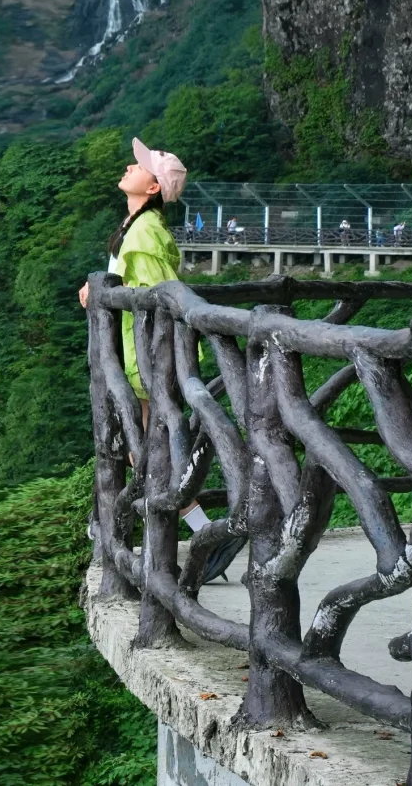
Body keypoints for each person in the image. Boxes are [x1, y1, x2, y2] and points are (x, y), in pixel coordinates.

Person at [79, 137, 244, 584]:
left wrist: (107, 296)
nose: (130, 167)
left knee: (147, 453)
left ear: (153, 188)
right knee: (143, 453)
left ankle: (206, 534)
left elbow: (156, 296)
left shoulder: (146, 231)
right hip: (138, 356)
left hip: (145, 357)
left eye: (140, 167)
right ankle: (203, 532)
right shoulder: (137, 225)